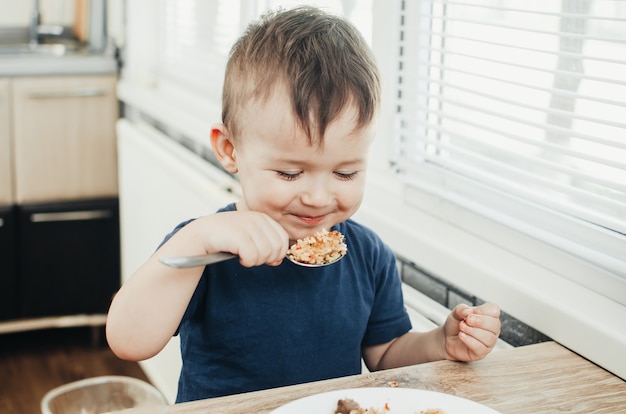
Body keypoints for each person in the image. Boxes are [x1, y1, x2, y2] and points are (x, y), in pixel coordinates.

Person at [105, 6, 501, 403]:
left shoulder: (367, 254)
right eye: (290, 174)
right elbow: (128, 341)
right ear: (230, 151)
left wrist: (440, 344)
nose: (317, 197)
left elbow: (385, 353)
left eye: (345, 174)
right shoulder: (205, 250)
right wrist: (197, 237)